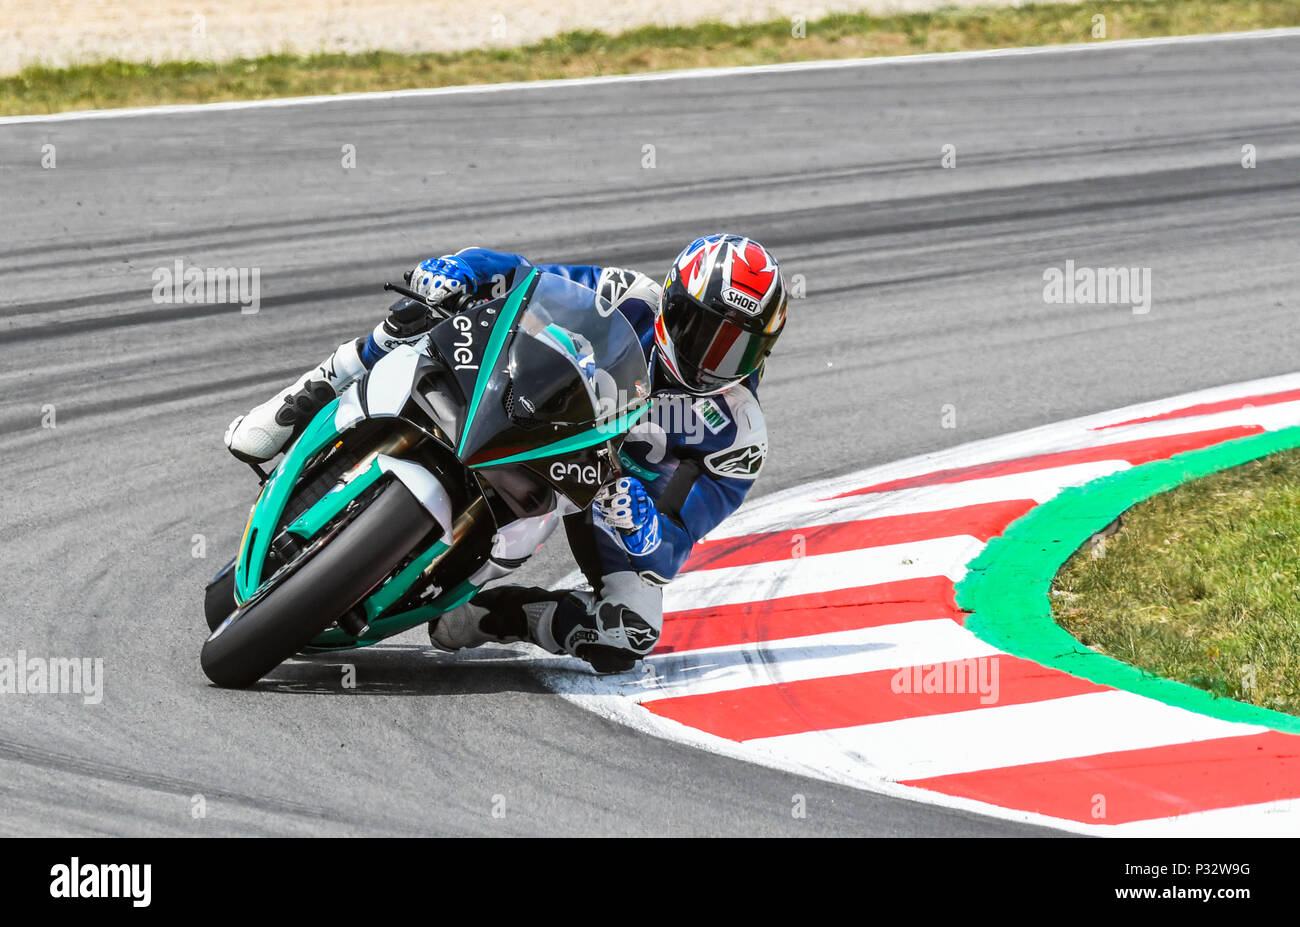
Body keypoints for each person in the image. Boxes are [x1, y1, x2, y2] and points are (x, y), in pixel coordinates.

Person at [224, 234, 788, 672]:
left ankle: (490, 617)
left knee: (628, 632)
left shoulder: (738, 436)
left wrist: (637, 519)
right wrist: (463, 269)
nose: (714, 359)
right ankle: (299, 401)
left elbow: (669, 551)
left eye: (739, 346)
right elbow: (525, 280)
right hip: (525, 406)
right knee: (421, 311)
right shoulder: (629, 297)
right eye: (704, 332)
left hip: (595, 493)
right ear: (672, 302)